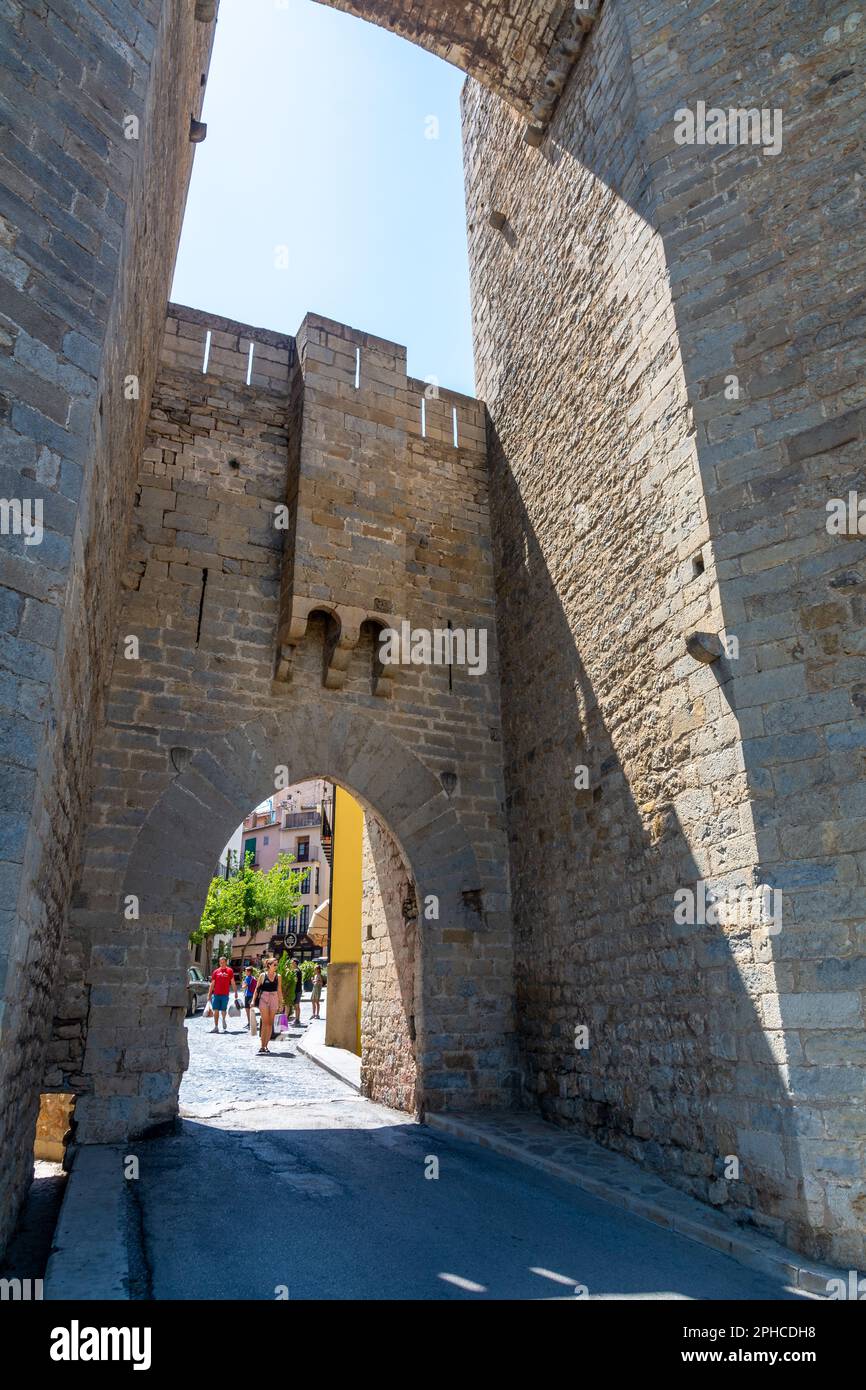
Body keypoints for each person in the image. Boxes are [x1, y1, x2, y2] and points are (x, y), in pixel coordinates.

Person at [253, 957, 284, 1056]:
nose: (276, 966)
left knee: (270, 1024)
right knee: (265, 1022)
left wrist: (281, 1003)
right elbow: (257, 989)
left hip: (274, 998)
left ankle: (266, 1046)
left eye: (276, 964)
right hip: (264, 998)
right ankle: (262, 1046)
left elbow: (279, 990)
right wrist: (253, 1001)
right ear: (269, 965)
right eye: (274, 964)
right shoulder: (262, 975)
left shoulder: (278, 976)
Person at [207, 956, 238, 1034]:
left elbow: (233, 982)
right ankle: (216, 1026)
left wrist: (236, 992)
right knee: (215, 1010)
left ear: (226, 962)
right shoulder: (216, 972)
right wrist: (209, 994)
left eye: (223, 962)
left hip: (225, 994)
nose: (222, 964)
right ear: (219, 963)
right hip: (216, 994)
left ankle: (223, 1019)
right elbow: (212, 984)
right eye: (221, 962)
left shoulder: (229, 971)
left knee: (223, 1010)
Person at [291, 958, 303, 1026]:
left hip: (297, 990)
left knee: (296, 1005)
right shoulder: (297, 970)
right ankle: (297, 1019)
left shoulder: (296, 971)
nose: (291, 964)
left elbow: (295, 981)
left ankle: (297, 1020)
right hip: (297, 990)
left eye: (292, 962)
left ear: (295, 963)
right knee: (296, 1005)